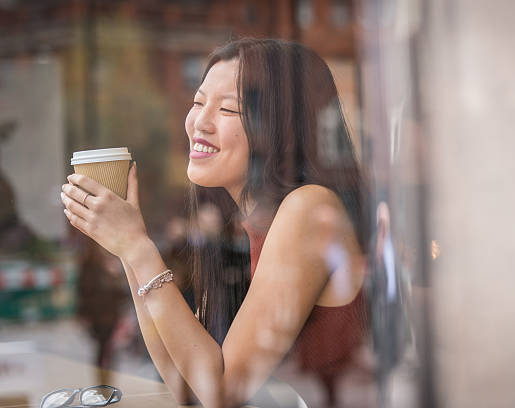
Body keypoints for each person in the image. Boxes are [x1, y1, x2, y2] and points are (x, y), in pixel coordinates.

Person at [60, 38, 370, 407]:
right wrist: (125, 247)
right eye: (197, 102)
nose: (199, 122)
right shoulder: (259, 221)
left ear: (277, 127)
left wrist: (137, 247)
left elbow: (221, 393)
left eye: (227, 109)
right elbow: (186, 384)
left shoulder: (308, 208)